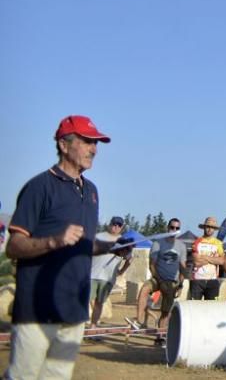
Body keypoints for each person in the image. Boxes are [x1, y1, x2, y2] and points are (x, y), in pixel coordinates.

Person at [4, 115, 118, 380]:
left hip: (74, 309)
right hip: (37, 309)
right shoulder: (39, 187)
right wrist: (54, 240)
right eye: (87, 141)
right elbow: (14, 247)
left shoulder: (91, 191)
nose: (94, 149)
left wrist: (111, 248)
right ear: (64, 145)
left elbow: (83, 244)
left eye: (96, 143)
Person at [129, 217, 186, 344]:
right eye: (172, 227)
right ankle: (139, 321)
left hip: (172, 281)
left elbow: (183, 267)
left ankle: (160, 337)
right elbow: (152, 265)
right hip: (157, 278)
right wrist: (159, 281)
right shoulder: (157, 243)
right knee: (144, 289)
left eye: (177, 228)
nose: (174, 230)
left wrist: (180, 285)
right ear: (168, 228)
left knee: (166, 311)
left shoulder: (181, 246)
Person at [89, 216, 132, 326]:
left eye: (118, 225)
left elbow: (129, 260)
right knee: (84, 300)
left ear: (121, 228)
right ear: (110, 224)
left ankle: (93, 327)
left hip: (107, 279)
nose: (115, 227)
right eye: (114, 224)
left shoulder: (124, 242)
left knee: (99, 303)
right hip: (92, 275)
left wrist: (121, 271)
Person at [189, 216, 226, 300]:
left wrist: (204, 257)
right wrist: (214, 259)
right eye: (208, 226)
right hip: (197, 280)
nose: (209, 229)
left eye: (212, 227)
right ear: (204, 227)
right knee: (195, 308)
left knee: (211, 309)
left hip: (212, 281)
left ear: (214, 229)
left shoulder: (218, 243)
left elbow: (222, 261)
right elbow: (196, 262)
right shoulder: (197, 242)